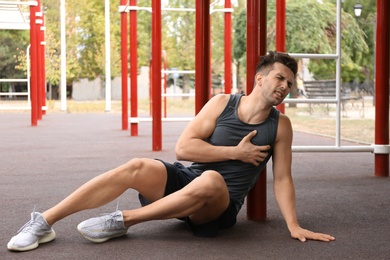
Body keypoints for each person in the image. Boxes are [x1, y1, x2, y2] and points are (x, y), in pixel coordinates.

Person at [7, 51, 335, 252]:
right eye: (280, 77)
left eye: (290, 84)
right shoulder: (222, 103)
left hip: (217, 205)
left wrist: (293, 225)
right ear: (260, 77)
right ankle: (43, 222)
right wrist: (235, 154)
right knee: (137, 165)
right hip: (187, 179)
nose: (284, 86)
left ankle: (123, 221)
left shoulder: (281, 126)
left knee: (210, 181)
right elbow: (183, 148)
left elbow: (282, 179)